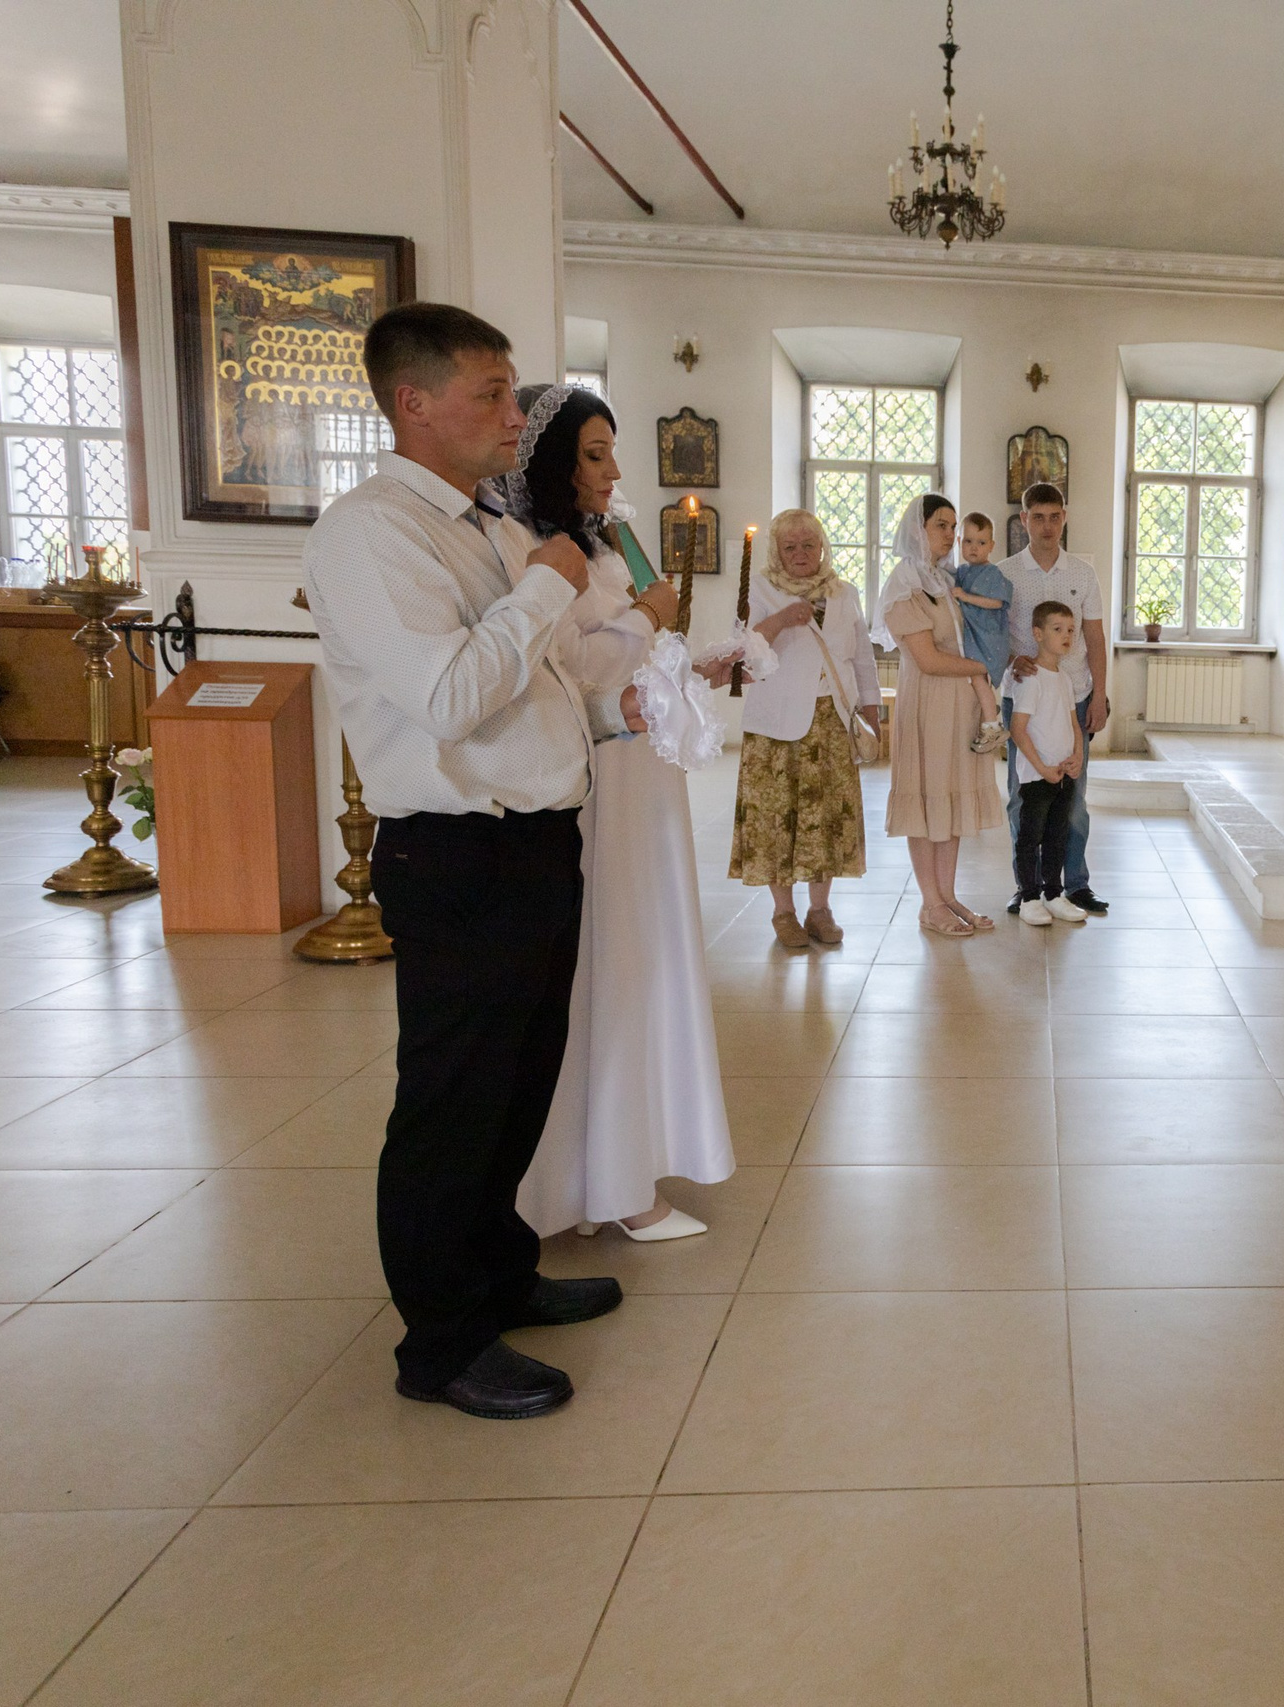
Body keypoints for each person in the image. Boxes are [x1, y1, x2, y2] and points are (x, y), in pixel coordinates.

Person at [304, 303, 647, 1420]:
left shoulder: (487, 527)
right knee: (452, 1100)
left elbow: (540, 677)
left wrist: (619, 704)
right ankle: (442, 1342)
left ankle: (498, 1274)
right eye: (491, 393)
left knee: (518, 1079)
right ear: (414, 402)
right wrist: (547, 583)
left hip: (536, 840)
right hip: (459, 849)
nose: (514, 415)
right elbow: (450, 694)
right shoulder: (370, 534)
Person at [495, 382, 734, 1245]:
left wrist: (689, 662)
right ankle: (604, 1182)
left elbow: (632, 661)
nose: (613, 471)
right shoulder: (535, 552)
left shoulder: (603, 546)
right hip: (599, 781)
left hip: (643, 777)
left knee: (644, 961)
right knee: (611, 971)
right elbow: (568, 668)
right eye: (594, 454)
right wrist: (646, 615)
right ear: (550, 463)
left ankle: (620, 1168)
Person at [731, 508, 883, 949]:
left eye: (809, 545)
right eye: (790, 547)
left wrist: (871, 710)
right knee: (776, 818)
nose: (800, 554)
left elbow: (862, 657)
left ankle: (820, 910)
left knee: (827, 818)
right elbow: (741, 650)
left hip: (832, 720)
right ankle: (783, 913)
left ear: (822, 547)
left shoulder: (844, 593)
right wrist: (781, 619)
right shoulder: (759, 588)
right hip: (775, 725)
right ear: (777, 552)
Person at [878, 492, 1007, 936]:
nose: (951, 535)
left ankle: (948, 895)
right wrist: (980, 670)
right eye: (941, 525)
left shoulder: (945, 579)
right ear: (919, 529)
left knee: (950, 799)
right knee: (927, 798)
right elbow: (929, 660)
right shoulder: (904, 585)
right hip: (929, 701)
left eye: (954, 527)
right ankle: (930, 903)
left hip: (960, 702)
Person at [1000, 482, 1110, 916]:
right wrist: (1012, 660)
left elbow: (1095, 639)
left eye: (1054, 516)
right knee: (1023, 796)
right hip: (1025, 700)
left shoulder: (1082, 574)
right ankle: (1027, 887)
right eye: (1038, 517)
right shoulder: (1005, 573)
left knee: (1073, 798)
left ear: (1064, 518)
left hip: (1075, 696)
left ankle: (1074, 885)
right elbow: (993, 637)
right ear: (1024, 519)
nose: (1047, 526)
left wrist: (1099, 696)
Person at [1008, 600, 1089, 925]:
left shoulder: (1065, 678)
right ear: (1038, 634)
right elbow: (1018, 729)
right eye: (1058, 629)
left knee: (1058, 836)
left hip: (1063, 773)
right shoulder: (1030, 678)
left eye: (1070, 630)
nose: (1067, 635)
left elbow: (1073, 724)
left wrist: (1077, 757)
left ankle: (1053, 895)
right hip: (1037, 776)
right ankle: (1029, 898)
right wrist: (1042, 768)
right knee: (1031, 838)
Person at [948, 510, 1013, 753]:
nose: (974, 547)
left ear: (991, 546)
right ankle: (988, 714)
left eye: (981, 542)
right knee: (973, 679)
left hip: (988, 638)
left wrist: (966, 597)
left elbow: (997, 603)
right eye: (968, 541)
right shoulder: (962, 571)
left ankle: (993, 726)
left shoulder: (992, 573)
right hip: (973, 635)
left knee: (977, 677)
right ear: (959, 542)